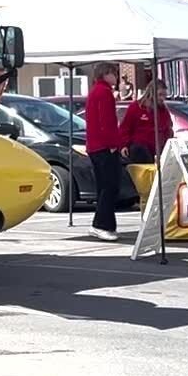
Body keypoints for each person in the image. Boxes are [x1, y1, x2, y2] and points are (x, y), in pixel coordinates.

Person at [82, 62, 123, 242]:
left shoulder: (95, 92)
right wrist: (114, 144)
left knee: (104, 187)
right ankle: (101, 224)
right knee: (110, 186)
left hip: (95, 146)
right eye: (113, 73)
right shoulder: (104, 93)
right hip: (104, 147)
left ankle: (104, 224)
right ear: (106, 74)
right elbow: (107, 122)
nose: (116, 77)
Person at [120, 75, 172, 164]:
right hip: (139, 152)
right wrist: (123, 145)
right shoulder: (136, 107)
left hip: (157, 152)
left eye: (164, 95)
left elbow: (168, 130)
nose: (162, 98)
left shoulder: (163, 111)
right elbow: (125, 128)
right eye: (160, 95)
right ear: (151, 93)